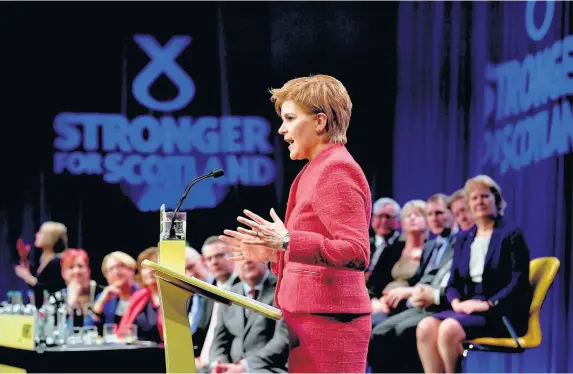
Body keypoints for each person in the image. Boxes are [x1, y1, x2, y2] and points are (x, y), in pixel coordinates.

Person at [220, 74, 372, 373]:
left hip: (331, 324)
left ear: (319, 122)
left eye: (289, 118)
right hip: (308, 319)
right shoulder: (315, 169)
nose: (282, 129)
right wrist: (273, 252)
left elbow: (356, 251)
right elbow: (315, 251)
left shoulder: (336, 169)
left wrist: (287, 241)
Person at [416, 175, 531, 373]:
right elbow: (453, 284)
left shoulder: (511, 234)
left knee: (448, 329)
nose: (480, 202)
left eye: (485, 196)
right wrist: (456, 303)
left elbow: (518, 281)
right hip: (467, 309)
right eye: (474, 198)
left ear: (496, 199)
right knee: (425, 326)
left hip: (499, 311)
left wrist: (488, 304)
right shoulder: (464, 239)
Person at [14, 221, 67, 307]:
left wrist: (27, 277)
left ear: (50, 237)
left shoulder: (58, 261)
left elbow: (49, 289)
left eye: (41, 233)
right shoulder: (45, 259)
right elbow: (38, 284)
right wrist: (24, 259)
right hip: (43, 310)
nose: (36, 235)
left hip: (54, 310)